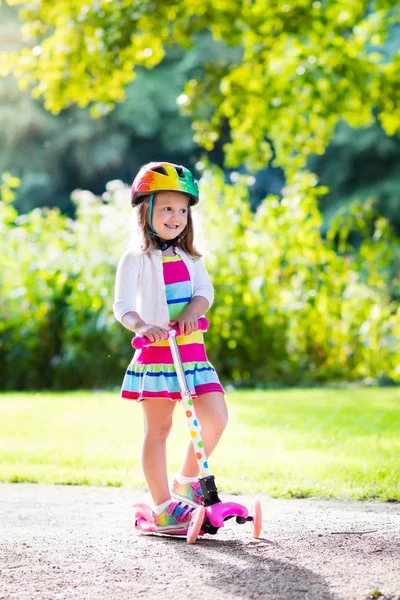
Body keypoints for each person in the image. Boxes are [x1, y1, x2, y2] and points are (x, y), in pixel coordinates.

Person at [113, 161, 227, 533]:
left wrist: (195, 311)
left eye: (182, 210)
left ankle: (184, 482)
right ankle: (162, 506)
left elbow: (203, 292)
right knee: (158, 430)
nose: (175, 217)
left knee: (215, 417)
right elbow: (123, 306)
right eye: (166, 208)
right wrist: (144, 326)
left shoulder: (192, 258)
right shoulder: (135, 259)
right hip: (158, 355)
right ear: (146, 211)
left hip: (192, 353)